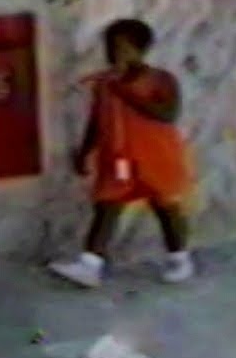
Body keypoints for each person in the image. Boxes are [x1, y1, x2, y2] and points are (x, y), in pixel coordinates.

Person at [48, 18, 196, 288]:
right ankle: (90, 265)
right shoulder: (104, 83)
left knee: (165, 208)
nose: (113, 52)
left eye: (121, 46)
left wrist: (125, 92)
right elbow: (96, 119)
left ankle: (180, 259)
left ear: (140, 49)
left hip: (156, 155)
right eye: (110, 45)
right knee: (107, 206)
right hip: (118, 157)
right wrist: (84, 152)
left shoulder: (162, 79)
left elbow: (167, 113)